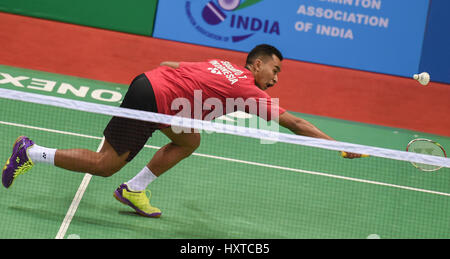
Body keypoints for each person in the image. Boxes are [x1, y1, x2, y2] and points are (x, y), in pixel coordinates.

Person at [2, 44, 363, 218]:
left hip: (158, 92)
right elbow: (295, 123)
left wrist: (186, 99)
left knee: (189, 139)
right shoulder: (247, 88)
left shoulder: (221, 65)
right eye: (275, 69)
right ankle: (30, 152)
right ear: (256, 64)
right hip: (156, 99)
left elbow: (171, 64)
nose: (276, 77)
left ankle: (134, 189)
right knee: (104, 164)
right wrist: (340, 145)